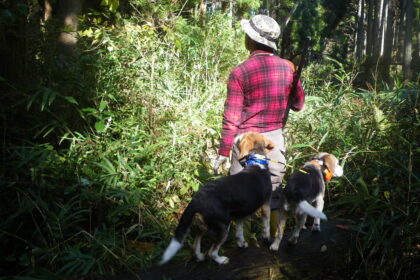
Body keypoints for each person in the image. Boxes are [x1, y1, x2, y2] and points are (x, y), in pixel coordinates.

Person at [213, 14, 305, 234]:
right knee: (272, 191)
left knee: (237, 193)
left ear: (252, 41)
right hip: (273, 140)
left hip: (246, 142)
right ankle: (272, 238)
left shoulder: (240, 72)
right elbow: (299, 105)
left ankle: (238, 241)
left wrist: (224, 152)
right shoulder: (289, 68)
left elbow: (232, 117)